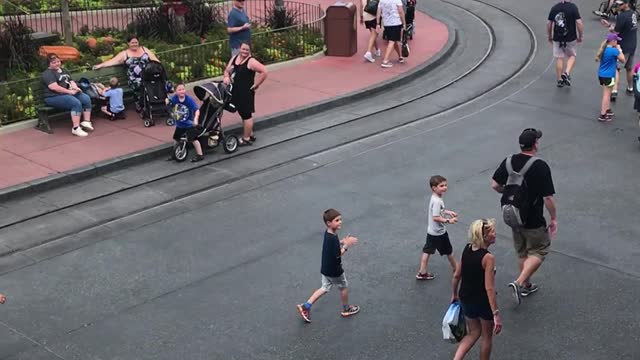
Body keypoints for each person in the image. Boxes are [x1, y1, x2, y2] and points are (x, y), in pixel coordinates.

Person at [491, 128, 557, 306]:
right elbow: (548, 197)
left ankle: (526, 285)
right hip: (534, 218)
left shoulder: (509, 161)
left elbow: (495, 185)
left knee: (522, 251)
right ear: (535, 144)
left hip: (514, 215)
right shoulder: (540, 165)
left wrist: (510, 192)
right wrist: (554, 218)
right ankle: (519, 283)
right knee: (540, 250)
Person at [296, 208, 360, 323]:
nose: (340, 222)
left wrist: (341, 242)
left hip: (325, 269)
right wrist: (346, 245)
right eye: (337, 220)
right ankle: (346, 309)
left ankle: (306, 306)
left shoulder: (329, 233)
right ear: (329, 223)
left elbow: (332, 244)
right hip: (335, 271)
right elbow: (337, 255)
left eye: (340, 219)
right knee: (344, 287)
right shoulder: (332, 238)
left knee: (324, 287)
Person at [452, 219, 502, 360]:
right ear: (485, 237)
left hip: (466, 299)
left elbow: (457, 275)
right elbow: (489, 288)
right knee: (486, 336)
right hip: (482, 303)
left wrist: (454, 294)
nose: (495, 233)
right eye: (492, 231)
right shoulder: (488, 258)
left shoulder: (467, 248)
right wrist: (496, 314)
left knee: (473, 332)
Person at [92, 35, 160, 111]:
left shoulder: (144, 50)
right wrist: (100, 65)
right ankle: (141, 102)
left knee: (157, 80)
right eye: (132, 43)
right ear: (128, 43)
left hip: (147, 74)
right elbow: (113, 61)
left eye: (136, 42)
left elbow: (154, 59)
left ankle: (156, 101)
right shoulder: (125, 54)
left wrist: (159, 69)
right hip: (134, 78)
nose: (134, 44)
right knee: (142, 83)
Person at [222, 42, 268, 146]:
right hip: (235, 91)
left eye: (247, 50)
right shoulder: (234, 58)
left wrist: (257, 84)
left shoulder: (251, 61)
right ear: (239, 48)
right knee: (242, 113)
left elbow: (264, 71)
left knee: (247, 114)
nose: (244, 52)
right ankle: (250, 133)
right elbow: (227, 71)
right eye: (243, 49)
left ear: (250, 51)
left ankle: (246, 138)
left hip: (246, 92)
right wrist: (226, 77)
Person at [41, 54, 94, 137]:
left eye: (58, 61)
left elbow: (71, 81)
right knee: (75, 103)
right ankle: (76, 128)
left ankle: (86, 122)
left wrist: (75, 88)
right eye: (54, 62)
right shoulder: (47, 74)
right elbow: (54, 87)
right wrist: (69, 92)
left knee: (85, 98)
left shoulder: (64, 70)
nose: (57, 64)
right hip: (53, 97)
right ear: (49, 64)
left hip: (66, 94)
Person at [416, 175, 458, 280]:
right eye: (441, 186)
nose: (445, 187)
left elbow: (439, 211)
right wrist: (449, 220)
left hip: (432, 231)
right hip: (439, 232)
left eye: (445, 185)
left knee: (427, 251)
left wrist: (448, 212)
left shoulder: (435, 197)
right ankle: (457, 270)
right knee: (449, 251)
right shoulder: (437, 201)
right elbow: (435, 217)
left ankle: (422, 272)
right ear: (434, 188)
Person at [601, 0, 638, 101]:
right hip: (632, 44)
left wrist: (609, 27)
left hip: (623, 45)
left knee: (617, 68)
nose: (618, 5)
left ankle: (614, 91)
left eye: (621, 4)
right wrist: (610, 25)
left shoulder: (622, 16)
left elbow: (616, 32)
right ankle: (630, 88)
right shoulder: (633, 14)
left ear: (626, 4)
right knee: (629, 67)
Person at [547, 0, 583, 87]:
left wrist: (549, 36)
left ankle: (559, 79)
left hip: (557, 37)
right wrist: (580, 35)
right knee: (572, 56)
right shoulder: (573, 7)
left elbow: (549, 23)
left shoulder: (555, 8)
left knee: (559, 57)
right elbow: (579, 23)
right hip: (571, 37)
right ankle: (566, 73)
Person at [169, 83, 204, 163]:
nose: (182, 91)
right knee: (176, 139)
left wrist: (195, 119)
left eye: (183, 89)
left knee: (193, 139)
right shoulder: (174, 99)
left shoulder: (189, 100)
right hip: (180, 124)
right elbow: (170, 104)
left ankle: (200, 155)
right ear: (176, 91)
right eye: (179, 90)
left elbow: (197, 110)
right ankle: (174, 153)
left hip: (189, 124)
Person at [596, 33, 625, 121]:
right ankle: (603, 114)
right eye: (616, 40)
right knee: (606, 95)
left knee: (607, 93)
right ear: (612, 41)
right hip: (609, 75)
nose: (617, 42)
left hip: (602, 74)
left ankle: (607, 109)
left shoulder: (604, 49)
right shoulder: (614, 51)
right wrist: (619, 50)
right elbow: (623, 60)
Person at [376, 0, 406, 68]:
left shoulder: (382, 1)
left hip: (386, 23)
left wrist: (378, 23)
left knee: (394, 40)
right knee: (392, 41)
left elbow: (378, 11)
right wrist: (404, 23)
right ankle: (385, 60)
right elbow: (401, 12)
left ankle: (400, 56)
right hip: (396, 22)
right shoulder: (397, 0)